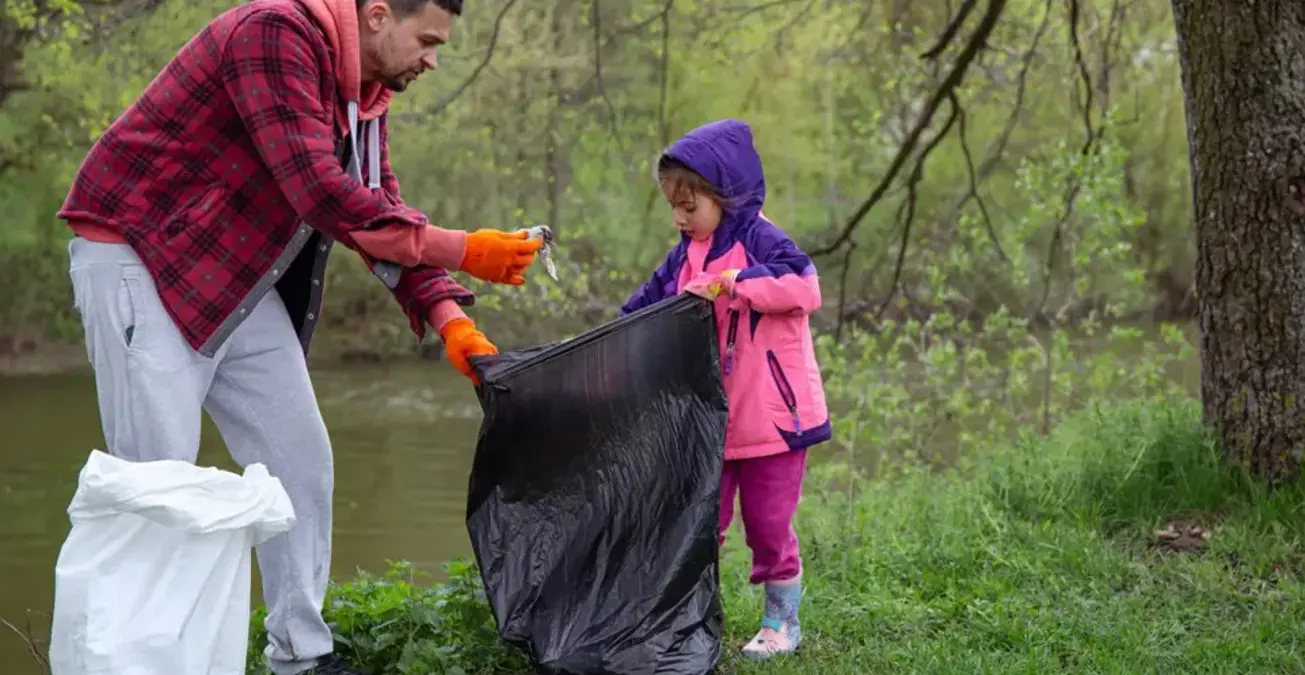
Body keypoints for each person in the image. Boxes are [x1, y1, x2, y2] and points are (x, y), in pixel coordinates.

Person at [56, 0, 540, 673]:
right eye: (427, 40)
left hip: (229, 270)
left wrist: (448, 317)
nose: (432, 59)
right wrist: (461, 248)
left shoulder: (363, 93)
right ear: (378, 16)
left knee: (300, 460)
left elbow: (378, 207)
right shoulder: (274, 34)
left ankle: (301, 656)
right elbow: (321, 193)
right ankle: (143, 662)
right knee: (160, 486)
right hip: (139, 255)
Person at [619, 118, 831, 659]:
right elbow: (644, 307)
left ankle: (782, 623)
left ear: (725, 194)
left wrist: (735, 283)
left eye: (689, 206)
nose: (679, 218)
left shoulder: (762, 239)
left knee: (767, 526)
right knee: (699, 524)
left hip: (774, 421)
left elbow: (804, 288)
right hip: (711, 421)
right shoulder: (686, 252)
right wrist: (609, 344)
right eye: (673, 207)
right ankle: (691, 617)